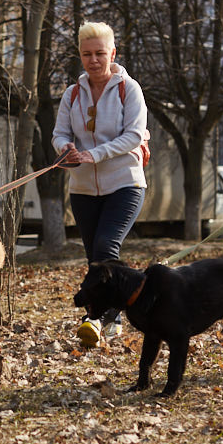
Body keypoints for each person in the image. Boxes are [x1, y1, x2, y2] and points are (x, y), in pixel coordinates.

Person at [53, 21, 148, 348]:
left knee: (106, 247)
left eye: (100, 53)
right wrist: (65, 149)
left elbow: (134, 135)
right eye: (86, 54)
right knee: (96, 259)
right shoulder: (73, 93)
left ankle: (95, 317)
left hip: (125, 184)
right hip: (82, 190)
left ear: (112, 53)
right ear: (80, 55)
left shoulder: (128, 89)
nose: (93, 60)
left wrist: (95, 154)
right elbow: (60, 133)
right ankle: (112, 315)